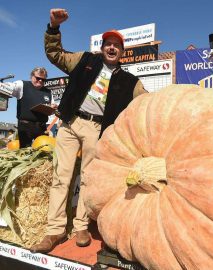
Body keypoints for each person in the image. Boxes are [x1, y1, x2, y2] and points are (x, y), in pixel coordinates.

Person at [30, 9, 147, 253]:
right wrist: (53, 27)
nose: (112, 48)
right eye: (108, 44)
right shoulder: (84, 60)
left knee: (88, 179)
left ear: (122, 52)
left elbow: (148, 104)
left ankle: (81, 226)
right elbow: (55, 55)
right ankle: (55, 230)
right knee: (61, 177)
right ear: (102, 48)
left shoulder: (130, 82)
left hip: (97, 129)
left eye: (117, 45)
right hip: (71, 124)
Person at [0, 67, 56, 147]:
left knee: (42, 151)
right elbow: (8, 88)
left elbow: (52, 109)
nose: (40, 81)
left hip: (41, 127)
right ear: (32, 76)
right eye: (38, 78)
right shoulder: (22, 85)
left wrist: (53, 108)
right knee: (25, 150)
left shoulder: (48, 92)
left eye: (43, 79)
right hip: (25, 127)